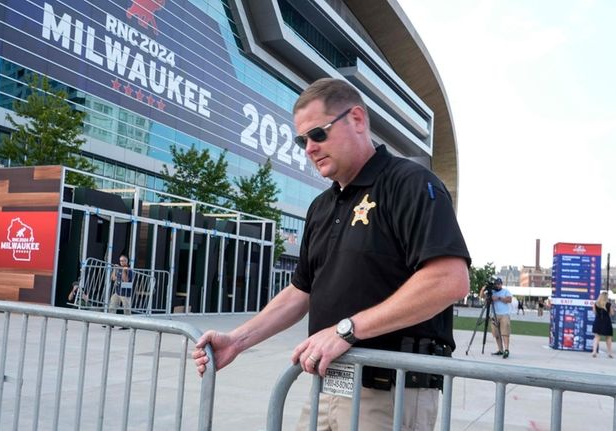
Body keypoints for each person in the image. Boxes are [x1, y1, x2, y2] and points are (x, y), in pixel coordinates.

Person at [191, 78, 471, 430]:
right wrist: (238, 340)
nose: (309, 148)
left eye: (318, 134)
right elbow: (301, 290)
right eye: (301, 140)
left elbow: (449, 280)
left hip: (390, 391)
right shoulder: (321, 206)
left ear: (356, 119)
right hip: (328, 386)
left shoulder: (409, 183)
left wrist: (346, 330)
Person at [479, 278, 512, 358]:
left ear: (501, 284)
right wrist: (483, 289)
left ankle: (506, 350)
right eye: (496, 284)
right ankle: (500, 350)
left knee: (505, 333)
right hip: (494, 315)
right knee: (496, 334)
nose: (497, 285)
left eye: (499, 284)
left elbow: (509, 300)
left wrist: (499, 298)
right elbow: (482, 296)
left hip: (504, 314)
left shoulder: (505, 291)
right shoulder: (492, 292)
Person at [107, 255, 134, 328]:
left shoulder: (128, 270)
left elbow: (125, 279)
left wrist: (123, 270)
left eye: (123, 261)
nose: (121, 262)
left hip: (125, 293)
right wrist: (114, 269)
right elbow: (113, 278)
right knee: (112, 306)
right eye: (120, 261)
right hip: (118, 292)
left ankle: (127, 325)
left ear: (126, 261)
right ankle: (110, 323)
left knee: (126, 309)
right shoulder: (119, 268)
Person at [591, 291, 616, 358]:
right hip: (606, 322)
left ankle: (594, 351)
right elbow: (612, 314)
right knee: (608, 338)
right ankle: (609, 353)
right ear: (606, 297)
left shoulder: (596, 304)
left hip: (598, 321)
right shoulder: (609, 304)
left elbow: (594, 312)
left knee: (596, 337)